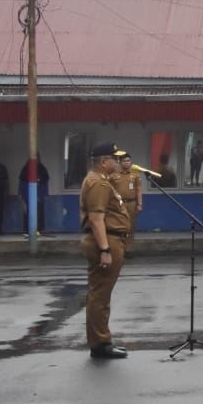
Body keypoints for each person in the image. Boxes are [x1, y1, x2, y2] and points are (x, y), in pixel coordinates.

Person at [80, 143, 131, 359]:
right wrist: (105, 249)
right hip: (106, 239)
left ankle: (102, 339)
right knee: (100, 295)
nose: (118, 162)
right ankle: (100, 343)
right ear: (103, 162)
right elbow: (96, 218)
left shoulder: (102, 181)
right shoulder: (98, 183)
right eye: (114, 158)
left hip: (112, 238)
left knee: (102, 294)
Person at [113, 152, 144, 250]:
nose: (126, 163)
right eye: (124, 161)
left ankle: (128, 249)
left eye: (128, 161)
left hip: (132, 203)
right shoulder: (114, 175)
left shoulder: (135, 175)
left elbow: (139, 189)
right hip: (119, 204)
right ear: (120, 163)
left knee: (130, 227)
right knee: (119, 226)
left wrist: (139, 204)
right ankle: (119, 248)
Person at [20, 155, 50, 235]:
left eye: (37, 158)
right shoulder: (26, 169)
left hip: (39, 196)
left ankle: (39, 230)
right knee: (27, 213)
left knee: (39, 213)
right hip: (27, 196)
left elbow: (45, 183)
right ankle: (27, 230)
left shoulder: (42, 169)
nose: (35, 160)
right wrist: (22, 196)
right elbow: (22, 184)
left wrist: (44, 194)